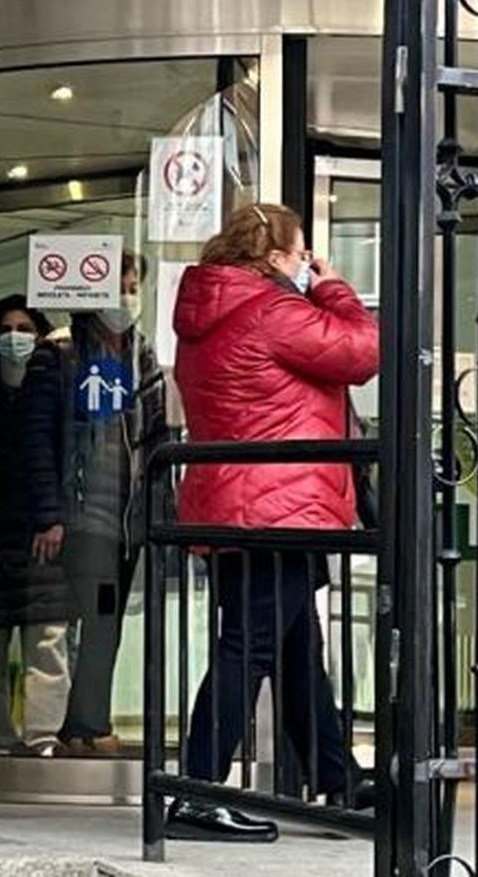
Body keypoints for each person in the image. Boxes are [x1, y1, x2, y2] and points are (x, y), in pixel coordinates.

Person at [166, 204, 380, 842]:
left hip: (239, 504)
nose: (307, 261)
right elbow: (363, 351)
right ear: (277, 254)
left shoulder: (209, 313)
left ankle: (339, 779)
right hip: (279, 505)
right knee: (253, 646)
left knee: (294, 651)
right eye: (302, 250)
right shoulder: (272, 310)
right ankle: (197, 792)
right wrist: (334, 285)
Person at [23, 253, 170, 756]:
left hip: (127, 520)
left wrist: (158, 515)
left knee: (106, 621)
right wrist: (49, 514)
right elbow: (37, 440)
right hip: (84, 517)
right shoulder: (60, 354)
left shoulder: (141, 355)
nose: (128, 298)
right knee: (95, 617)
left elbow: (154, 438)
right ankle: (84, 725)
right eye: (119, 288)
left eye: (134, 287)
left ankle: (83, 725)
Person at [0, 296, 76, 756]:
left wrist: (50, 516)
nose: (14, 337)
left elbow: (50, 452)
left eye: (24, 327)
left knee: (46, 636)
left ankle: (42, 735)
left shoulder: (54, 377)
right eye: (6, 328)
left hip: (40, 526)